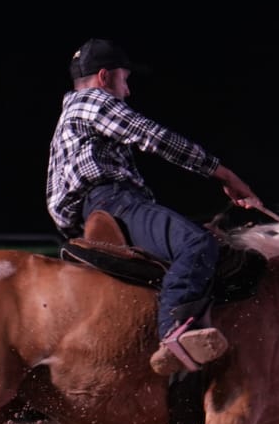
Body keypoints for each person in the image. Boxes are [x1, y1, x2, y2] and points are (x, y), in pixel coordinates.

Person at [46, 38, 262, 376]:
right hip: (114, 202)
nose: (127, 91)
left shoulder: (69, 115)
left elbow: (55, 195)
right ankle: (175, 330)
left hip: (98, 207)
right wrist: (225, 174)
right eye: (124, 79)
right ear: (104, 76)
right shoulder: (92, 101)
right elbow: (153, 137)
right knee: (197, 243)